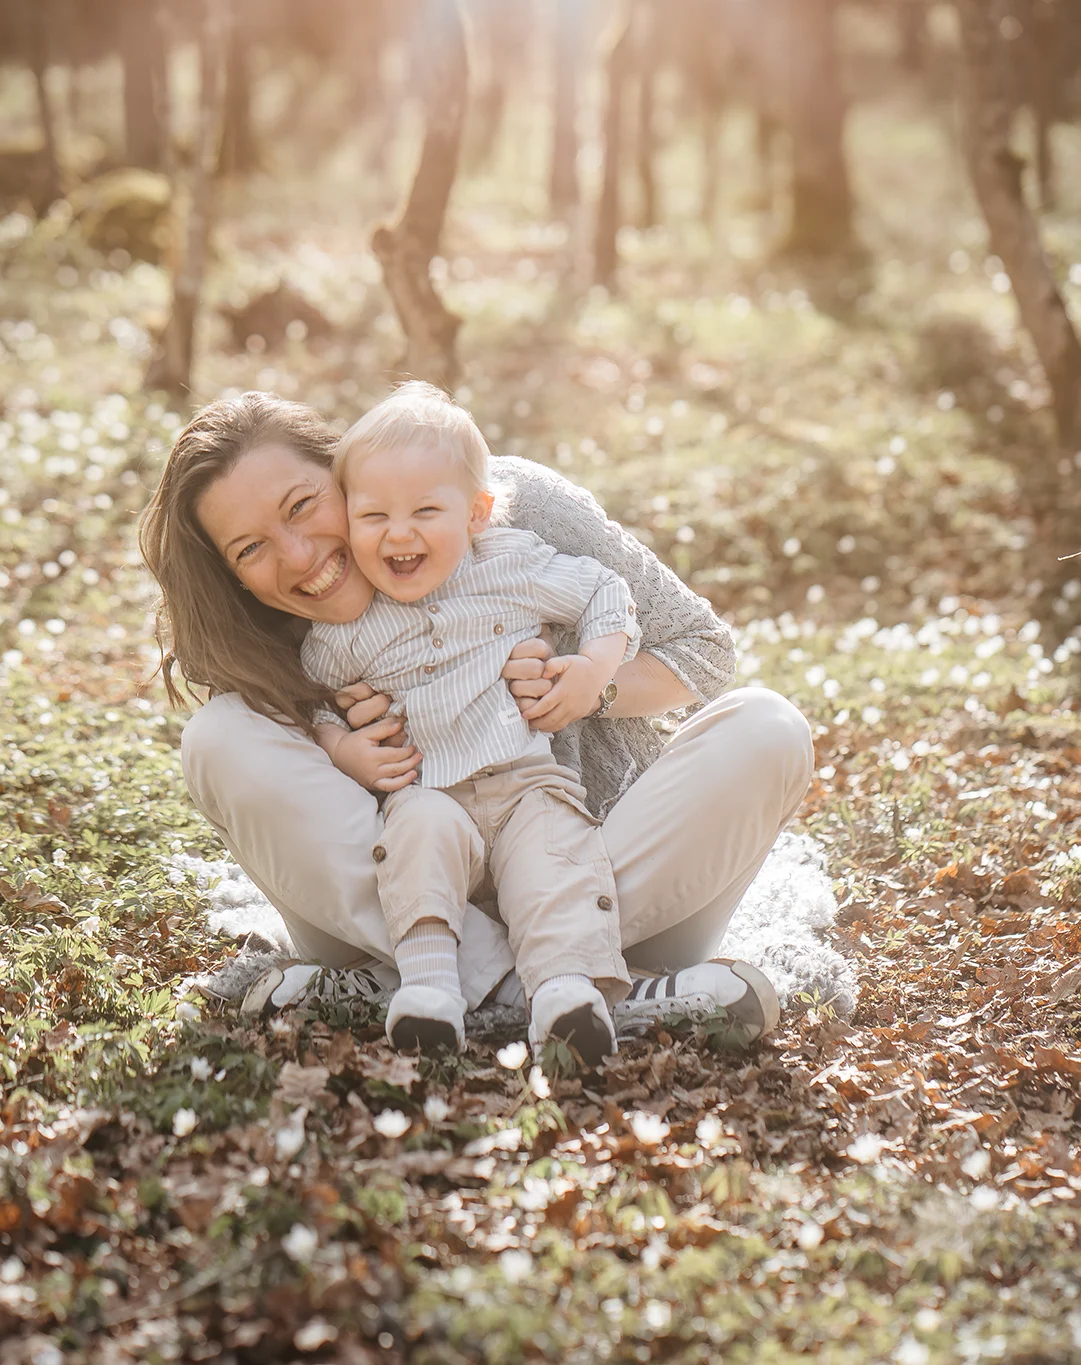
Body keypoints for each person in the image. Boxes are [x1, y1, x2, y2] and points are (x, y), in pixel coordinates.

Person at [137, 390, 814, 1043]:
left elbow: (703, 648)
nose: (298, 555)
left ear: (342, 468)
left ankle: (480, 982)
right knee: (216, 736)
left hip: (605, 871)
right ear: (231, 575)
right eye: (250, 549)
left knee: (769, 727)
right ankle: (580, 993)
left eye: (303, 504)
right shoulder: (268, 638)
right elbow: (294, 781)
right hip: (406, 902)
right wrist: (335, 740)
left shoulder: (510, 505)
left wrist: (585, 685)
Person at [302, 384, 639, 1063]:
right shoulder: (349, 625)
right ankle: (429, 992)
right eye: (374, 516)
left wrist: (594, 668)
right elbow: (304, 693)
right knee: (417, 837)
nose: (399, 533)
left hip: (524, 780)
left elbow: (605, 588)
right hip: (428, 790)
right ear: (347, 519)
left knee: (556, 856)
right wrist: (341, 746)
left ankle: (563, 994)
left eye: (427, 510)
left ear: (477, 513)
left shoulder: (510, 563)